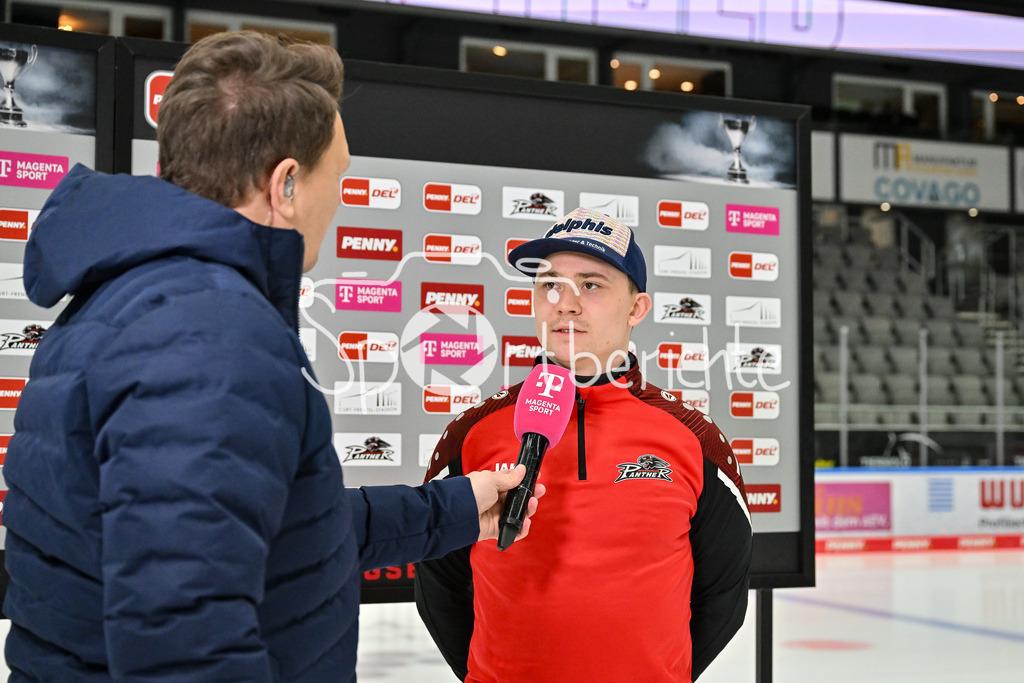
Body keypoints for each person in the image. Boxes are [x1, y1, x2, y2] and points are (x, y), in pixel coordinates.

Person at [2, 31, 543, 681]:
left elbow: (269, 531)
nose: (339, 199)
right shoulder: (207, 336)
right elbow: (186, 640)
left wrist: (453, 509)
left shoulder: (147, 298)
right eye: (337, 176)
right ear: (286, 184)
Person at [415, 207, 752, 682]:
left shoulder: (695, 438)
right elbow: (439, 584)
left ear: (636, 309)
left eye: (591, 285)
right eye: (549, 284)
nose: (565, 303)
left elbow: (722, 595)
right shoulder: (471, 433)